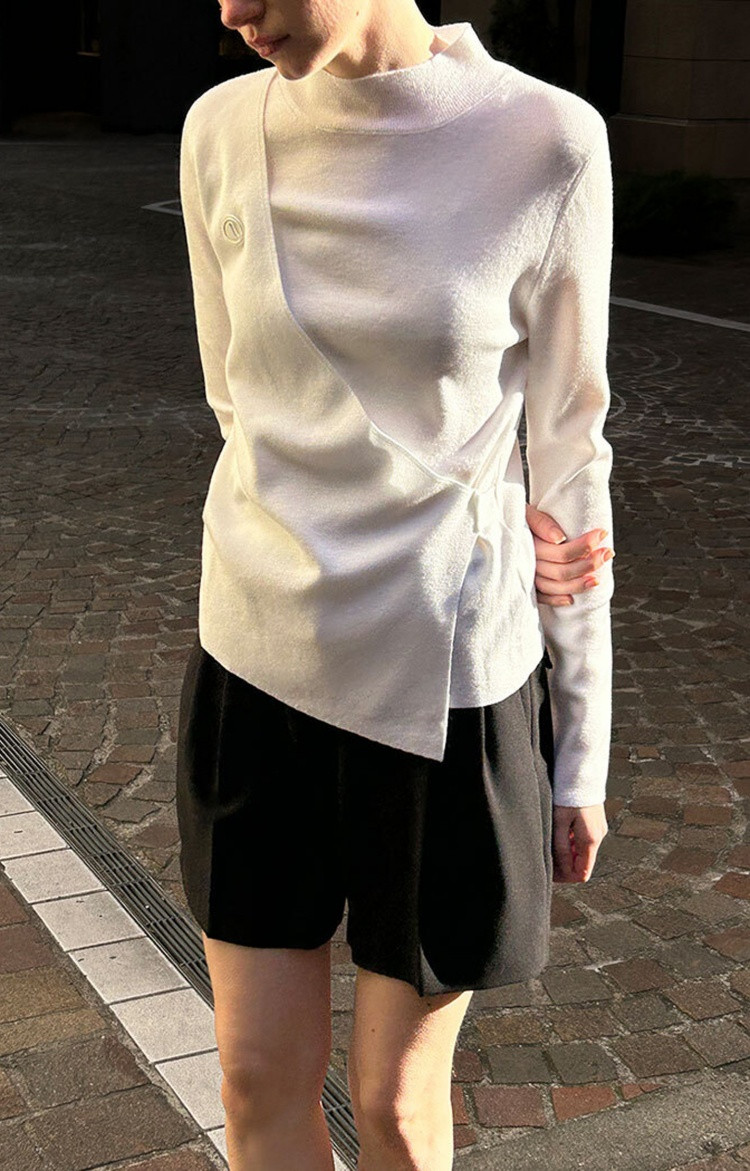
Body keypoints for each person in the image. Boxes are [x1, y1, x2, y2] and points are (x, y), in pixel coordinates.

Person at [175, 2, 616, 1168]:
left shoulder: (545, 142)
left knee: (396, 1111)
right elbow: (238, 404)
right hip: (255, 656)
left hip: (447, 684)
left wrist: (580, 753)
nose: (231, 11)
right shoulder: (218, 128)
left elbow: (569, 460)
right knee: (254, 1078)